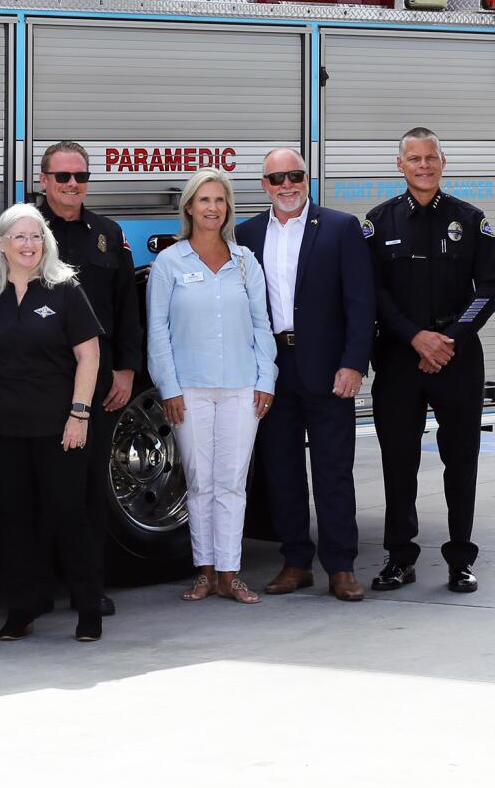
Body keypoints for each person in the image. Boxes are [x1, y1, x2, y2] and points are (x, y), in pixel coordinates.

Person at [237, 148, 375, 602]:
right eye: (277, 179)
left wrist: (354, 363)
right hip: (273, 367)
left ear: (307, 177)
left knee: (333, 469)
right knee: (282, 468)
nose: (287, 185)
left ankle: (341, 567)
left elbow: (361, 301)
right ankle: (295, 561)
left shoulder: (339, 227)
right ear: (264, 186)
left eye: (295, 175)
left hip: (329, 366)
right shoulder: (247, 234)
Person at [366, 127, 495, 594]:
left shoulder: (471, 220)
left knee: (460, 461)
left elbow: (489, 290)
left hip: (457, 359)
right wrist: (415, 338)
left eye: (431, 158)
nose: (424, 166)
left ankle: (461, 559)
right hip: (400, 359)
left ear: (443, 162)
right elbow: (374, 295)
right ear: (399, 165)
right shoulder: (379, 223)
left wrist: (447, 340)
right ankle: (400, 558)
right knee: (398, 463)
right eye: (414, 158)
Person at [0, 204, 104, 641]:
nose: (29, 245)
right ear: (1, 244)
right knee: (12, 520)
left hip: (59, 427)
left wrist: (80, 414)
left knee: (69, 515)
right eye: (20, 237)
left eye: (36, 237)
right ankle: (23, 607)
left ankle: (88, 608)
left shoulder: (65, 289)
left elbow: (89, 355)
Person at [146, 169, 276, 603]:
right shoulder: (170, 262)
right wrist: (169, 388)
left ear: (228, 209)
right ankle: (204, 572)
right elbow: (157, 332)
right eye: (204, 200)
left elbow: (263, 325)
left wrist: (266, 378)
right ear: (189, 207)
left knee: (232, 482)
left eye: (220, 200)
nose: (213, 208)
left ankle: (231, 573)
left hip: (243, 387)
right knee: (200, 481)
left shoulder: (245, 261)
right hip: (190, 388)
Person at [36, 140, 142, 618]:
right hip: (39, 379)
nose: (73, 185)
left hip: (95, 379)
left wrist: (126, 368)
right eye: (63, 177)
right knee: (40, 487)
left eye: (81, 176)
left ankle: (90, 587)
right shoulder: (26, 228)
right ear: (44, 180)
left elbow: (125, 306)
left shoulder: (107, 233)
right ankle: (38, 587)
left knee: (90, 488)